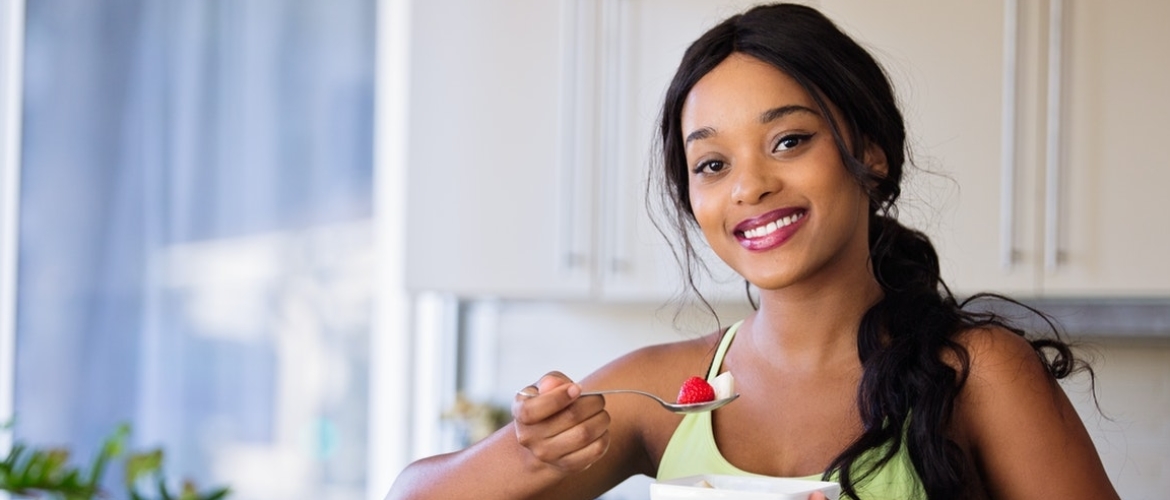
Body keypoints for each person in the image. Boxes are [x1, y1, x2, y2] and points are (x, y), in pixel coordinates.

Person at [386, 3, 1120, 499]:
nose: (751, 187)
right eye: (713, 164)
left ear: (869, 152)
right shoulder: (669, 393)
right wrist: (530, 453)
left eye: (789, 141)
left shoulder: (976, 374)